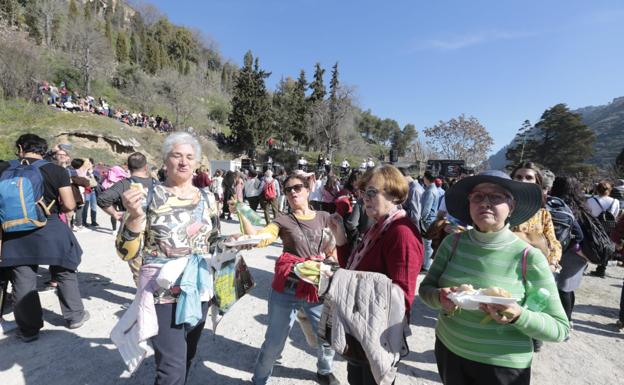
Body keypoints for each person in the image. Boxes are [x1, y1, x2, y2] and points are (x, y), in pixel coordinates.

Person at [419, 170, 569, 385]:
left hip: (503, 366)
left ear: (512, 207)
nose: (485, 203)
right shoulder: (452, 243)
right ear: (469, 204)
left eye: (496, 197)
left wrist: (518, 315)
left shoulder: (528, 257)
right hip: (449, 351)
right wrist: (439, 297)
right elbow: (426, 289)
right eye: (478, 196)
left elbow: (560, 328)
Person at [116, 132, 220, 384]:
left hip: (199, 288)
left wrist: (235, 247)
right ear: (165, 160)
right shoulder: (148, 197)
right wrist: (133, 216)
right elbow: (124, 251)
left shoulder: (208, 198)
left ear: (197, 163)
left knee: (186, 355)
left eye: (189, 157)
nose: (183, 162)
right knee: (171, 369)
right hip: (162, 292)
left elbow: (214, 241)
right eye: (177, 155)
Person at [230, 173, 347, 385]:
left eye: (297, 187)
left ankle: (324, 370)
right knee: (274, 342)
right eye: (288, 189)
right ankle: (259, 380)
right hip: (287, 288)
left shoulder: (324, 217)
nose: (293, 192)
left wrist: (331, 264)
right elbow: (262, 238)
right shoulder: (282, 220)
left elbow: (335, 249)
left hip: (316, 288)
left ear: (308, 189)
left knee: (327, 338)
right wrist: (242, 214)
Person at [339, 165, 423, 384]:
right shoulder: (378, 227)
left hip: (379, 334)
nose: (364, 198)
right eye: (363, 192)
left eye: (371, 192)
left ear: (394, 195)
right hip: (360, 327)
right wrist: (340, 239)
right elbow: (354, 270)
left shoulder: (401, 232)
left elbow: (401, 297)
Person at [0, 134, 89, 342]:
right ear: (43, 150)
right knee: (64, 270)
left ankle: (29, 330)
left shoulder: (4, 168)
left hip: (14, 232)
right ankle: (74, 316)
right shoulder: (55, 169)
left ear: (20, 147)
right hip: (50, 227)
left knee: (22, 279)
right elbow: (68, 205)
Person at [97, 152, 158, 285]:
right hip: (156, 231)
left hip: (133, 231)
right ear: (146, 167)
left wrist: (114, 213)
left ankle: (143, 297)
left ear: (128, 168)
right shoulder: (157, 184)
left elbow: (102, 199)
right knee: (156, 268)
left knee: (138, 270)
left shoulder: (124, 184)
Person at [550, 177, 586, 331]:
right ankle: (568, 318)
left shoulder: (554, 204)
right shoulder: (582, 206)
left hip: (563, 251)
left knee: (560, 288)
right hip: (579, 253)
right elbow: (580, 235)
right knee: (568, 288)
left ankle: (564, 322)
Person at [585, 180, 621, 278]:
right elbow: (615, 215)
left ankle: (584, 264)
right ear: (610, 190)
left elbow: (587, 213)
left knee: (589, 244)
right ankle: (601, 269)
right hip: (609, 228)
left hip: (593, 226)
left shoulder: (590, 200)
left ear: (597, 189)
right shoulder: (615, 202)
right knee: (606, 247)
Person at [420, 171, 440, 271]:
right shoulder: (434, 189)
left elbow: (426, 209)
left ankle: (427, 265)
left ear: (426, 178)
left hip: (427, 221)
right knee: (428, 244)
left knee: (427, 244)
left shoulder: (430, 191)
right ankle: (426, 264)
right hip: (431, 219)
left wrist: (421, 219)